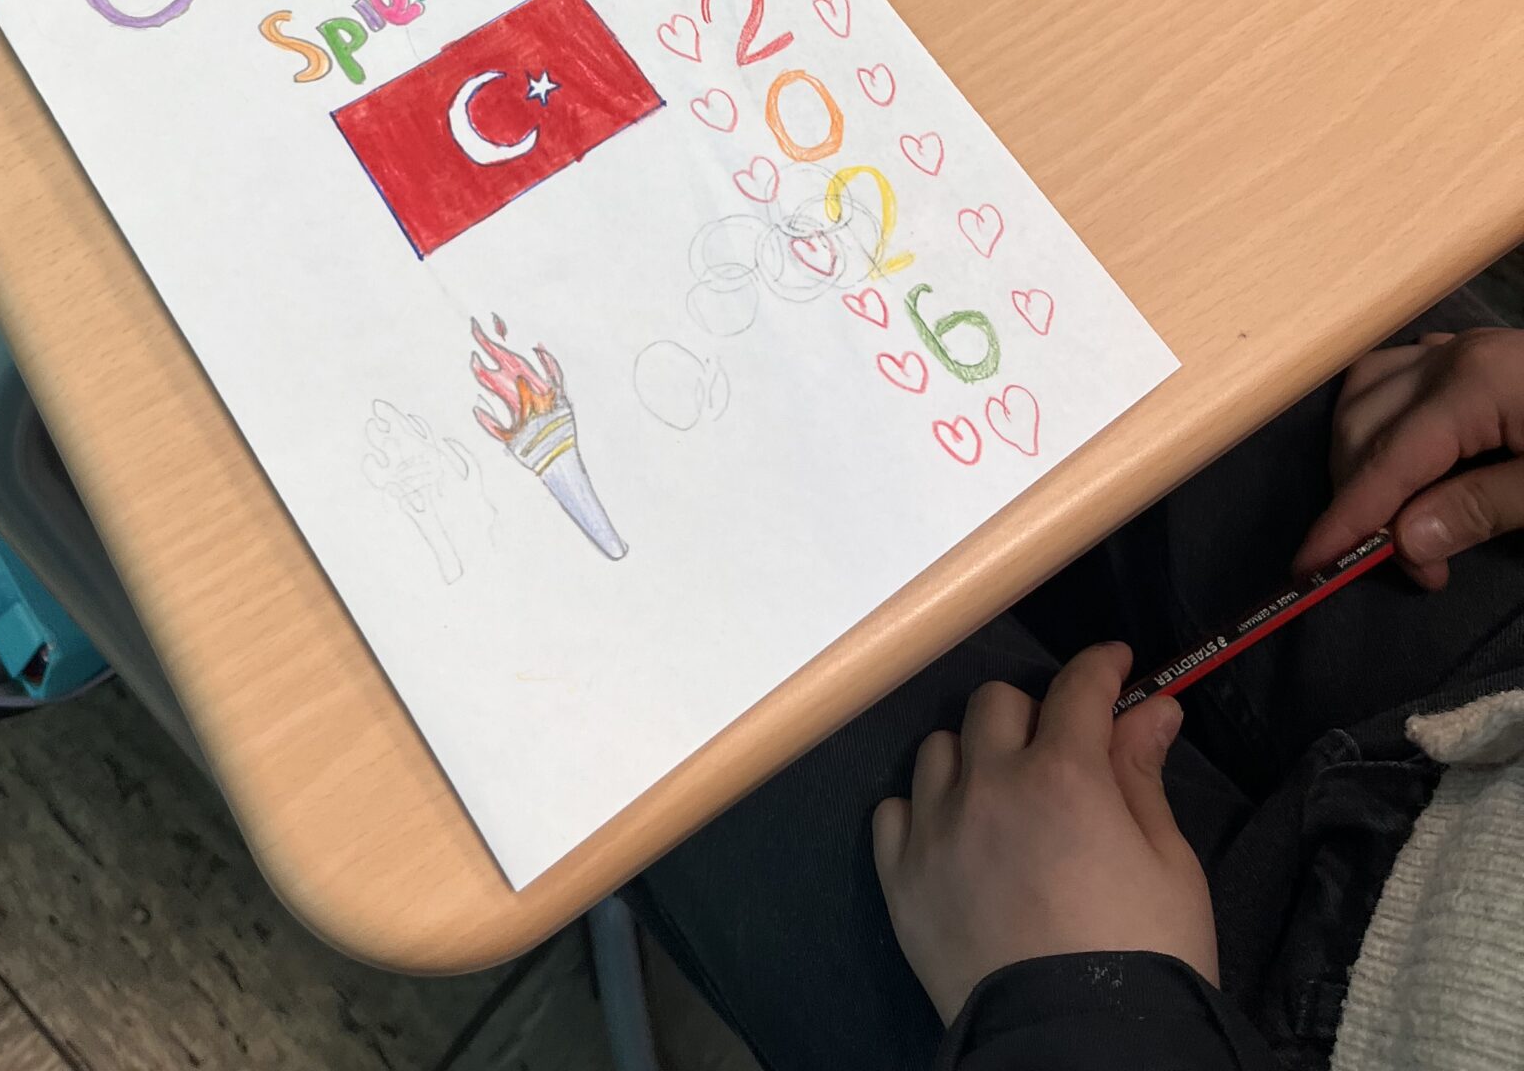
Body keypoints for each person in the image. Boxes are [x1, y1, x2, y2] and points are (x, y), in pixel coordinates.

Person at [637, 296, 1524, 1069]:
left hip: (1173, 1023)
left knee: (681, 639)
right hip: (1492, 733)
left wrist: (1094, 1009)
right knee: (1179, 304)